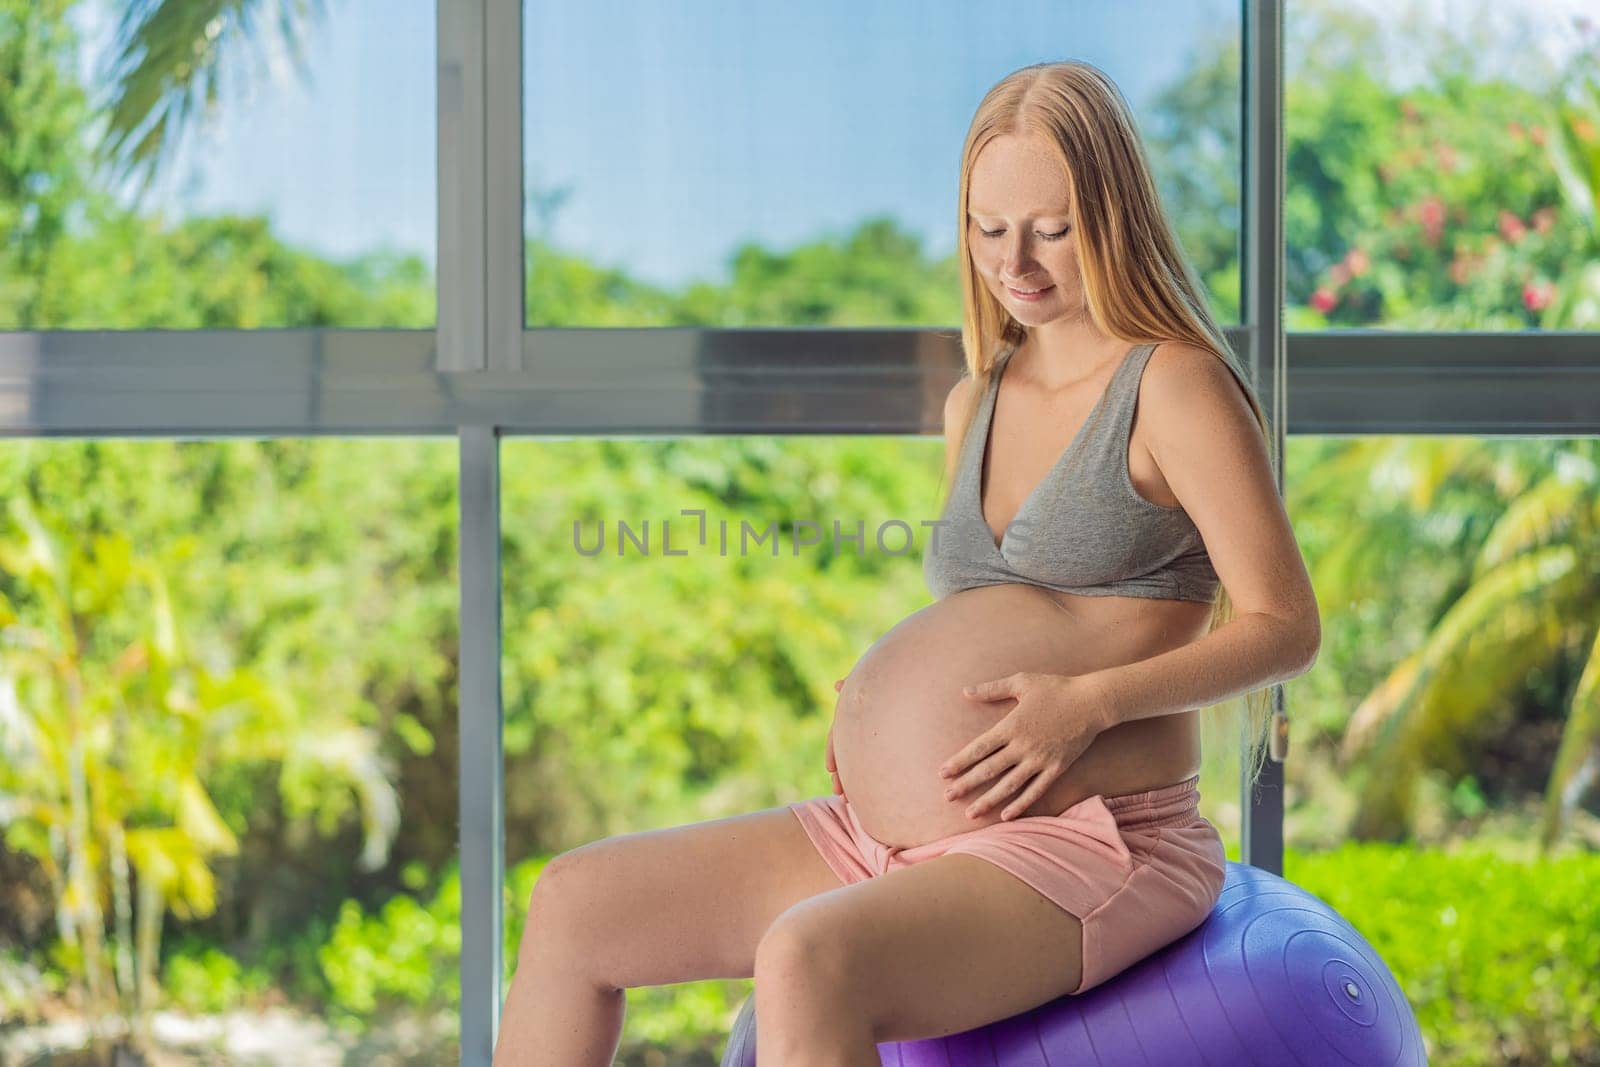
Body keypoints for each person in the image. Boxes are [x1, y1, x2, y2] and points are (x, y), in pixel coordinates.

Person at [493, 60, 1320, 1066]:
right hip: (892, 831)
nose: (1014, 259)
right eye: (987, 226)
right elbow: (997, 606)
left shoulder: (1173, 386)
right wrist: (882, 702)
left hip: (1092, 838)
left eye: (1050, 228)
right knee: (574, 903)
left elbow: (1284, 624)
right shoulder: (975, 399)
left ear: (1113, 216)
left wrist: (1086, 705)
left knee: (804, 954)